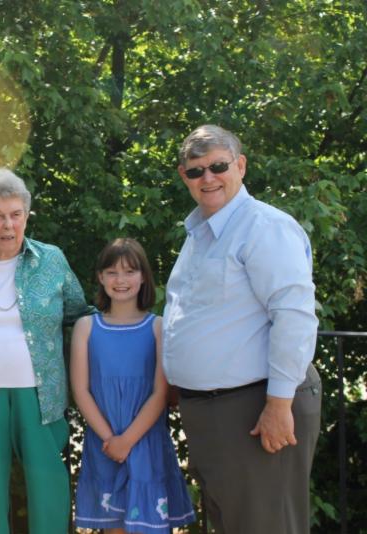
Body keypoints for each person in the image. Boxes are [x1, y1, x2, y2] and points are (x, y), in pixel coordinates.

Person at [163, 124, 321, 533]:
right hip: (212, 410)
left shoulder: (264, 227)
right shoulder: (199, 234)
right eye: (196, 171)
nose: (208, 178)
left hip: (256, 408)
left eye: (218, 166)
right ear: (184, 176)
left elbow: (295, 315)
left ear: (241, 166)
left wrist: (279, 404)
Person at [0, 167, 92, 534]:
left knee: (48, 490)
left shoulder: (51, 261)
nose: (8, 225)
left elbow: (80, 315)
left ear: (25, 216)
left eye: (16, 215)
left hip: (40, 395)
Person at [71, 238, 195, 533]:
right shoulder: (86, 327)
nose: (121, 280)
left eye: (130, 271)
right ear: (101, 278)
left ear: (143, 277)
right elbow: (80, 390)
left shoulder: (158, 326)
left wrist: (127, 441)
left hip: (145, 442)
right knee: (114, 527)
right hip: (104, 444)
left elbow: (160, 393)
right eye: (112, 272)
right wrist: (111, 440)